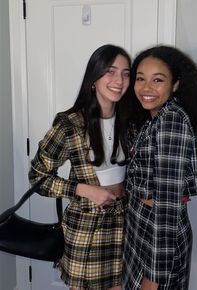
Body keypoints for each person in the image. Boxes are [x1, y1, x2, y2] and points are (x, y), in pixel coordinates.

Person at [28, 44, 131, 290]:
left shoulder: (131, 122)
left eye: (126, 73)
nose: (119, 80)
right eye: (111, 71)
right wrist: (84, 190)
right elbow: (37, 177)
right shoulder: (70, 125)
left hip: (125, 226)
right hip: (88, 229)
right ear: (94, 78)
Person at [123, 45, 197, 290]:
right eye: (140, 79)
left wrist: (153, 278)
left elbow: (167, 206)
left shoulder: (171, 122)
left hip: (158, 241)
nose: (146, 88)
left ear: (175, 84)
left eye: (158, 80)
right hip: (144, 231)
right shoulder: (155, 118)